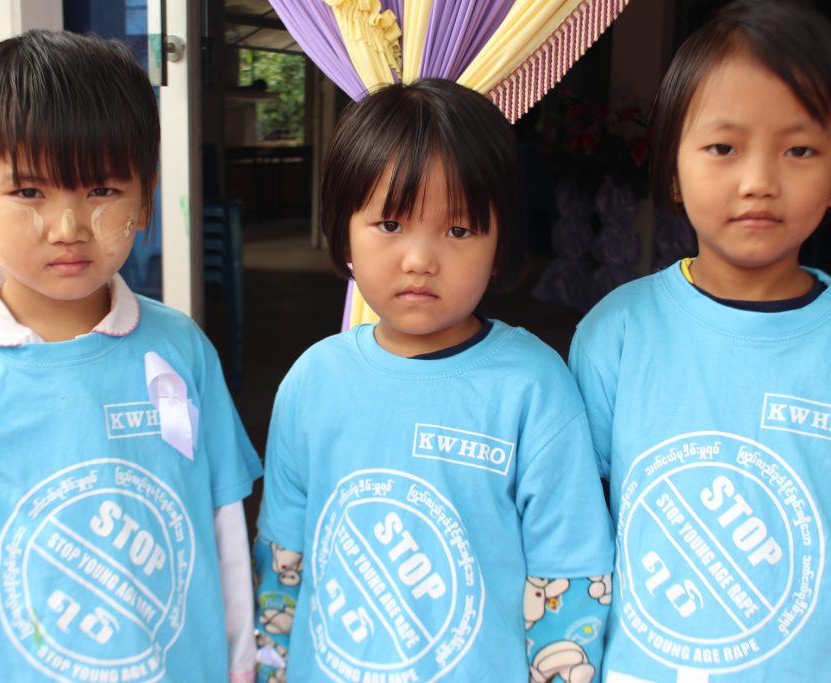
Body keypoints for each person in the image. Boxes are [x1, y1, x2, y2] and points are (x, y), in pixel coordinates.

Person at [0, 30, 261, 682]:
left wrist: (242, 665)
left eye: (102, 190)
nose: (68, 227)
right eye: (29, 193)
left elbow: (221, 529)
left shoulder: (181, 351)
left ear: (145, 197)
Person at [568, 1, 831, 681]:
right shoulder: (615, 333)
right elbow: (575, 533)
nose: (759, 181)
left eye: (799, 150)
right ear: (670, 172)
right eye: (723, 147)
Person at [252, 78, 614, 683]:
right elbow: (283, 558)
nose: (419, 258)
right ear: (342, 231)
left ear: (501, 244)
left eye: (458, 229)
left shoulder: (532, 389)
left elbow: (569, 577)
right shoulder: (313, 380)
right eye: (390, 225)